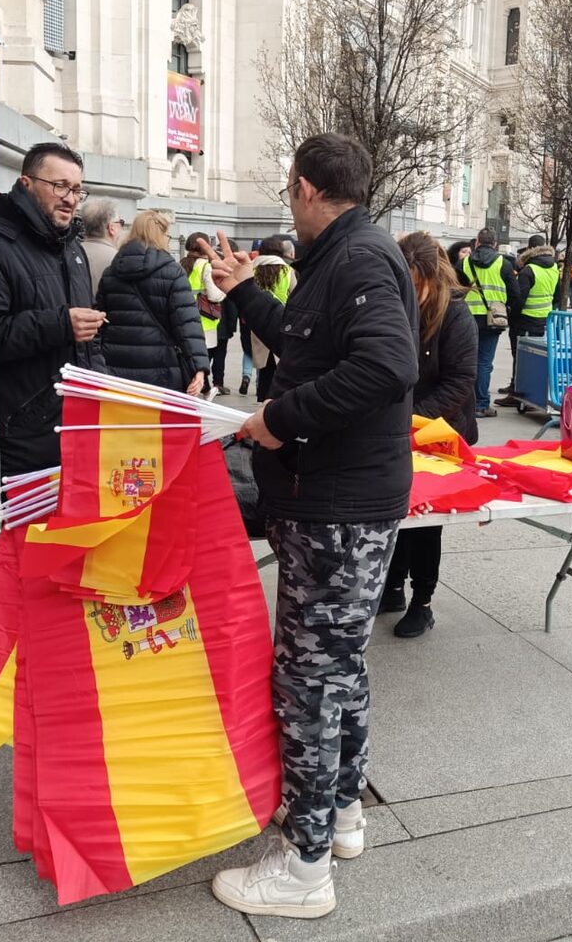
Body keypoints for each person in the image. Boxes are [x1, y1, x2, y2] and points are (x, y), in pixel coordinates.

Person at [200, 132, 418, 919]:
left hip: (336, 508)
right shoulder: (343, 255)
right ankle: (343, 813)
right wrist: (242, 293)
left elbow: (386, 365)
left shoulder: (355, 259)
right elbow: (307, 342)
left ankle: (304, 865)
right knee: (339, 669)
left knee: (309, 681)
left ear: (303, 187)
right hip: (337, 501)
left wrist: (278, 418)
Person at [380, 231, 476, 638]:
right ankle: (392, 588)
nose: (409, 291)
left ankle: (423, 601)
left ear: (432, 279)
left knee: (425, 521)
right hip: (401, 429)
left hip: (441, 434)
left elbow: (460, 382)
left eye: (415, 284)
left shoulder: (455, 315)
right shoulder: (397, 306)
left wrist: (411, 419)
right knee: (398, 512)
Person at [0, 141, 106, 477]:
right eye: (60, 186)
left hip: (78, 424)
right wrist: (61, 325)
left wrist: (104, 389)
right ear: (26, 183)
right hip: (23, 434)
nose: (71, 199)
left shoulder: (73, 248)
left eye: (77, 190)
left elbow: (89, 341)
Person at [94, 209, 207, 394]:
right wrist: (199, 368)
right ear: (161, 235)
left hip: (115, 368)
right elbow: (187, 324)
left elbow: (98, 322)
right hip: (162, 369)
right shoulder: (173, 272)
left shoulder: (111, 272)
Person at [459, 227, 517, 418]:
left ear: (477, 242)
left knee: (466, 361)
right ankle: (481, 405)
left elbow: (453, 288)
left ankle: (464, 403)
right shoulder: (504, 264)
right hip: (493, 319)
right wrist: (505, 308)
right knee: (484, 363)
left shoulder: (464, 263)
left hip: (466, 318)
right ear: (495, 244)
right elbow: (515, 293)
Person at [497, 243, 560, 407]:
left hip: (525, 320)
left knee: (520, 358)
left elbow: (519, 299)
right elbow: (557, 295)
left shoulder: (528, 270)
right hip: (545, 319)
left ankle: (517, 392)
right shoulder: (554, 267)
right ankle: (530, 392)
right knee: (536, 358)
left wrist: (512, 317)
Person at [249, 236, 299, 401]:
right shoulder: (287, 270)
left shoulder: (253, 270)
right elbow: (295, 295)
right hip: (281, 318)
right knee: (281, 361)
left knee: (264, 364)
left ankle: (262, 395)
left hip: (257, 319)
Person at [180, 232, 228, 396]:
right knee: (203, 355)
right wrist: (224, 293)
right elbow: (214, 295)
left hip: (184, 313)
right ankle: (202, 386)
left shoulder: (181, 263)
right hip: (204, 318)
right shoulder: (205, 266)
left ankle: (203, 386)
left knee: (188, 352)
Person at [80, 197, 124, 285]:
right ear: (111, 228)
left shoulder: (71, 253)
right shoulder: (119, 259)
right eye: (120, 222)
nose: (122, 227)